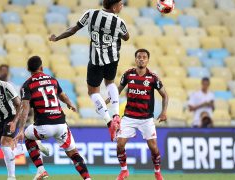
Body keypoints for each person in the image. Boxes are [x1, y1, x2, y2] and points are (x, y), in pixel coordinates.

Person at [49, 0, 130, 141]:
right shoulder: (118, 22)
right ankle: (116, 115)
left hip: (95, 60)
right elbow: (126, 37)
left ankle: (109, 121)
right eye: (121, 4)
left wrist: (57, 38)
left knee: (93, 92)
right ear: (115, 6)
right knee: (110, 83)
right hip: (112, 59)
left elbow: (73, 29)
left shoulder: (91, 14)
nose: (122, 6)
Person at [14, 56, 91, 180]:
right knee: (73, 153)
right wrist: (70, 103)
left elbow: (25, 108)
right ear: (42, 68)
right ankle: (87, 178)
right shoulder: (52, 80)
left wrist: (21, 129)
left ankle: (41, 170)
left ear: (28, 69)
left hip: (44, 126)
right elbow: (62, 95)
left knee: (28, 137)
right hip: (61, 124)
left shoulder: (27, 84)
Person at [114, 49, 168, 180]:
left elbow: (165, 95)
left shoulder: (153, 78)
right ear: (135, 59)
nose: (141, 59)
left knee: (154, 148)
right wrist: (108, 100)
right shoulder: (128, 74)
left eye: (144, 57)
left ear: (148, 60)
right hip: (129, 117)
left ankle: (157, 171)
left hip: (146, 119)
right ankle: (124, 171)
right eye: (139, 57)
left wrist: (164, 112)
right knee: (120, 144)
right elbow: (117, 91)